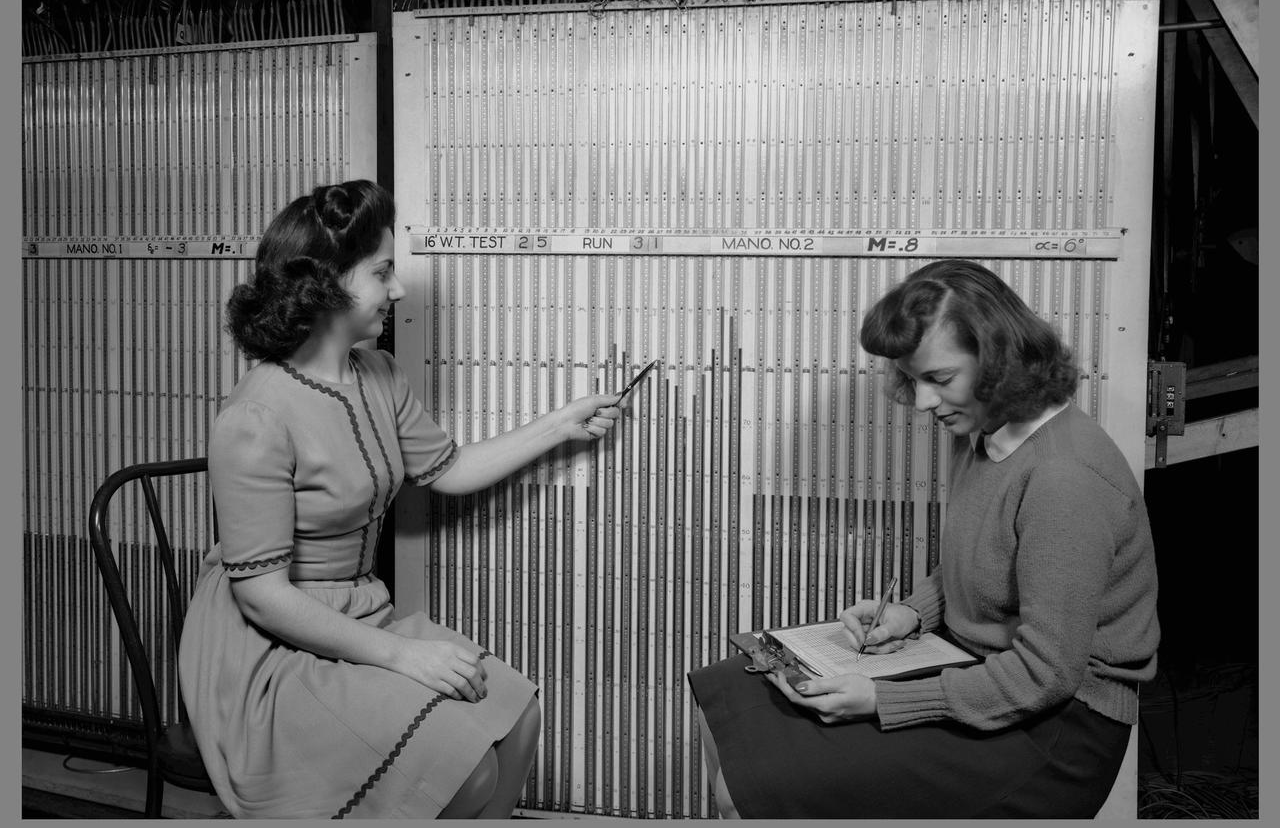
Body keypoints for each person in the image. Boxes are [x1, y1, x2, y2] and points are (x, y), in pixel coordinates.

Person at [178, 179, 622, 819]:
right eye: (383, 271)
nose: (399, 289)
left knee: (517, 714)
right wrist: (402, 655)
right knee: (463, 775)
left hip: (359, 613)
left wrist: (561, 425)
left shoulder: (379, 374)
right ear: (325, 282)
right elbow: (261, 594)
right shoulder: (254, 416)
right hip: (268, 644)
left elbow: (450, 467)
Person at [687, 259, 1159, 818]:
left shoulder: (1065, 479)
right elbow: (987, 560)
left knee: (749, 789)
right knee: (723, 696)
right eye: (912, 380)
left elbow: (1047, 674)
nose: (923, 402)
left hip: (1058, 730)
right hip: (981, 674)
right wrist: (910, 614)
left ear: (1000, 359)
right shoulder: (986, 429)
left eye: (938, 379)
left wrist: (886, 700)